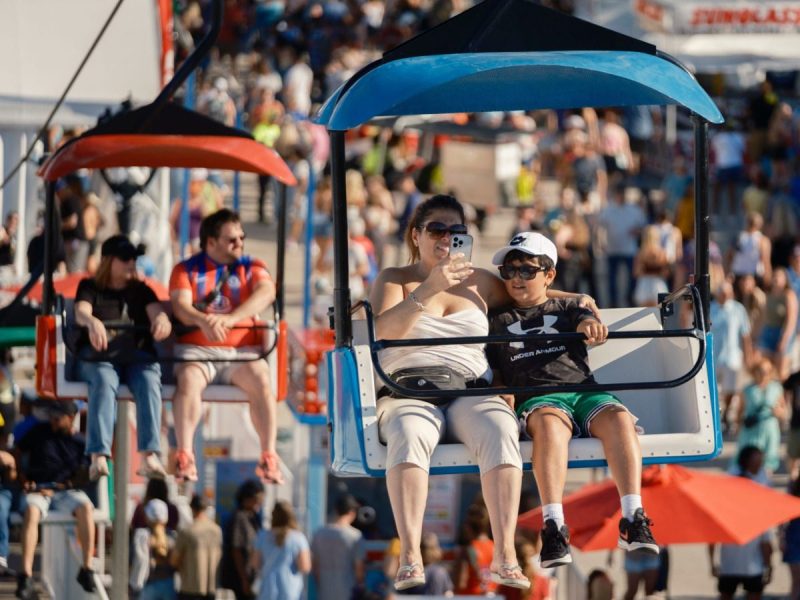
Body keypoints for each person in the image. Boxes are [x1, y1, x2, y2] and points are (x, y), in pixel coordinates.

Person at [370, 194, 532, 591]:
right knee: (410, 433)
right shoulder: (394, 278)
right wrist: (429, 288)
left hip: (468, 387)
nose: (446, 238)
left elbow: (529, 295)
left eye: (456, 230)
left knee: (500, 428)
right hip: (407, 388)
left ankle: (505, 552)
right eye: (437, 229)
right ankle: (411, 553)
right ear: (416, 235)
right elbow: (384, 331)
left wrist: (577, 300)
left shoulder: (479, 281)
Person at [487, 232, 658, 568]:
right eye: (509, 271)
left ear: (549, 275)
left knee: (620, 418)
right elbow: (496, 369)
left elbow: (586, 319)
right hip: (538, 397)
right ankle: (553, 525)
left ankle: (633, 516)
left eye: (527, 270)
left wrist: (591, 325)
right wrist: (501, 389)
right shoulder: (498, 320)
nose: (516, 278)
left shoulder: (568, 307)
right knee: (550, 427)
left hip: (583, 390)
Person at [169, 209, 282, 484]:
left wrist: (232, 319)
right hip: (198, 350)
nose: (239, 243)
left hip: (240, 352)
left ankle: (268, 455)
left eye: (242, 237)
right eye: (232, 240)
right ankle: (185, 453)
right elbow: (181, 306)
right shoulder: (186, 269)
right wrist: (202, 320)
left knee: (262, 380)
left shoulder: (251, 266)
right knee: (188, 381)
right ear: (211, 242)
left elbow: (267, 292)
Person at [74, 234, 171, 481]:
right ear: (109, 261)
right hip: (100, 357)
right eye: (125, 258)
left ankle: (149, 454)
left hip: (136, 356)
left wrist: (162, 321)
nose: (131, 263)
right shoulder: (90, 287)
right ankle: (98, 454)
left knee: (149, 380)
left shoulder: (142, 290)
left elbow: (158, 313)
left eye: (134, 258)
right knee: (104, 379)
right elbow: (81, 311)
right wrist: (92, 322)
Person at [14, 401, 96, 598]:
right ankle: (25, 576)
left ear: (70, 418)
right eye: (51, 416)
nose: (53, 421)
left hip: (65, 491)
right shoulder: (38, 432)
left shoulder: (81, 442)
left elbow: (84, 475)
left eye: (57, 418)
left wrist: (65, 485)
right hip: (38, 488)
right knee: (32, 511)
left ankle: (87, 569)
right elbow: (16, 452)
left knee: (86, 507)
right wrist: (24, 480)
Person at [711, 280, 753, 433]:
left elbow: (745, 334)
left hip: (732, 356)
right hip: (714, 356)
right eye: (722, 293)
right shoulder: (710, 308)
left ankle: (725, 415)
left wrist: (748, 355)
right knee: (714, 389)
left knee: (731, 389)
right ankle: (717, 416)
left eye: (728, 293)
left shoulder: (738, 309)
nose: (725, 295)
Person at [251, 500, 311, 600]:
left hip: (267, 589)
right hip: (291, 589)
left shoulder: (262, 536)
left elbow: (255, 564)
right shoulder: (298, 538)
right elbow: (305, 567)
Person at [310, 494, 365, 600]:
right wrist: (360, 584)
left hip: (324, 590)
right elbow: (359, 568)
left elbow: (315, 565)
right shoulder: (355, 536)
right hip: (347, 589)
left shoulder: (319, 533)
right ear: (352, 512)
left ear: (336, 510)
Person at [736, 359, 786, 474]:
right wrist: (738, 428)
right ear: (755, 371)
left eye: (768, 371)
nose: (765, 374)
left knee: (768, 463)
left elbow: (784, 410)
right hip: (751, 431)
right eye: (761, 371)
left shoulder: (776, 388)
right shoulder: (747, 389)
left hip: (769, 430)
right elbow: (740, 411)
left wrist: (779, 412)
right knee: (747, 462)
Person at [220, 479, 265, 600]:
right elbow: (236, 550)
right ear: (247, 498)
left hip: (250, 576)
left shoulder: (252, 517)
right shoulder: (240, 518)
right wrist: (244, 579)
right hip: (240, 578)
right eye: (257, 499)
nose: (260, 503)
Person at [172, 494, 222, 600]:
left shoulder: (187, 531)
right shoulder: (217, 530)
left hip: (190, 587)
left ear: (191, 508)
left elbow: (174, 560)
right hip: (210, 587)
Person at [130, 498, 176, 600]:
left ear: (147, 517)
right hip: (169, 585)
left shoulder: (142, 536)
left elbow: (134, 561)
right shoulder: (172, 537)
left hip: (146, 585)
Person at [782, 476, 800, 600]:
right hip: (794, 537)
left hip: (793, 536)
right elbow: (783, 514)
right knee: (796, 580)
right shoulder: (793, 486)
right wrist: (781, 538)